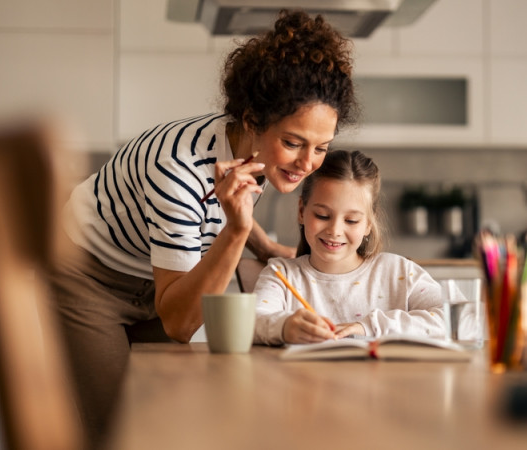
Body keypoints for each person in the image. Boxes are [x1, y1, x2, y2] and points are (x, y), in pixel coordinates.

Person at [48, 10, 358, 444]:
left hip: (156, 277)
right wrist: (235, 232)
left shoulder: (256, 155)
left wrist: (263, 245)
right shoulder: (178, 170)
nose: (307, 164)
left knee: (176, 413)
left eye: (321, 147)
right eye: (293, 142)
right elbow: (178, 322)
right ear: (252, 120)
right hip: (86, 278)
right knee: (119, 431)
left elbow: (212, 213)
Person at [253, 150, 464, 345]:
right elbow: (252, 321)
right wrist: (284, 327)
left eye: (351, 220)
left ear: (369, 223)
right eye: (322, 216)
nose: (335, 230)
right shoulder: (281, 275)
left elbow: (462, 318)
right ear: (301, 210)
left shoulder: (399, 273)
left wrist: (369, 327)